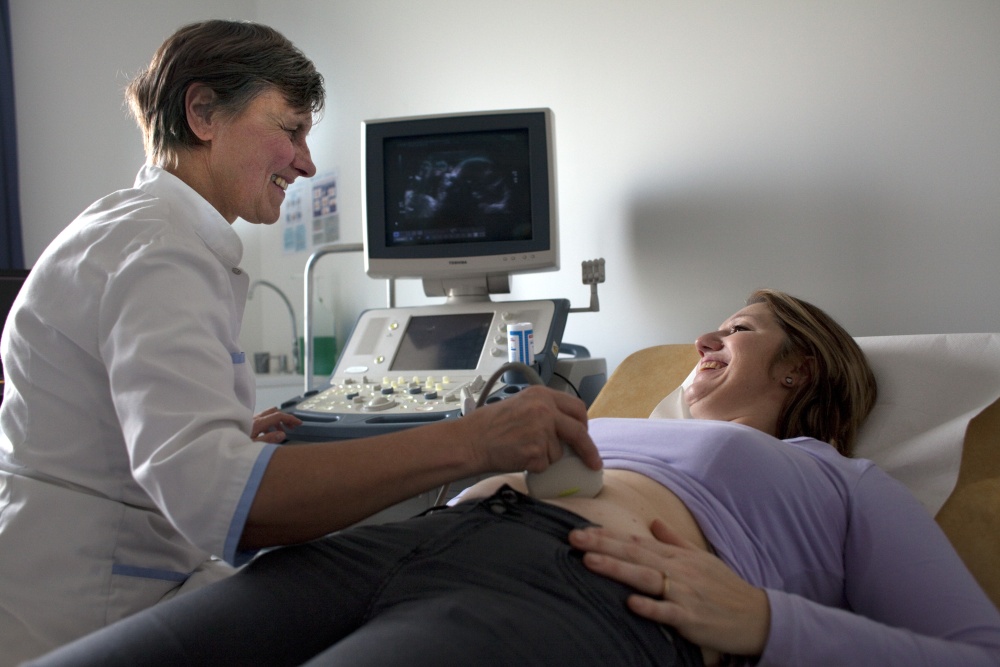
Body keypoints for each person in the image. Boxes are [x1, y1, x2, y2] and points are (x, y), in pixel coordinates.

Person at [0, 20, 600, 665]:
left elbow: (114, 427)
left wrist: (229, 436)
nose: (308, 163)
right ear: (203, 112)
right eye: (289, 130)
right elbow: (221, 501)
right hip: (87, 599)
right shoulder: (157, 253)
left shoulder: (135, 232)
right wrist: (477, 440)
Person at [25, 289, 1000, 666]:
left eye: (740, 329)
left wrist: (765, 620)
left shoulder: (833, 481)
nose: (705, 335)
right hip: (403, 540)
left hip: (583, 586)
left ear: (799, 368)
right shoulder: (612, 414)